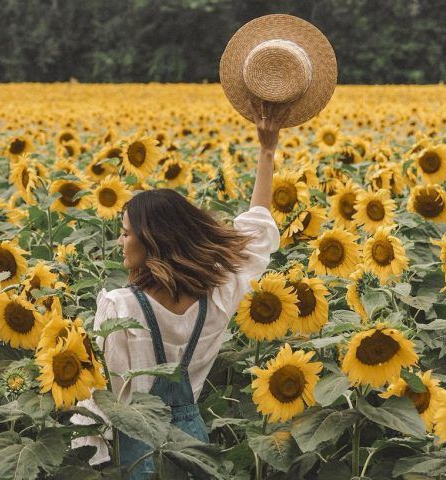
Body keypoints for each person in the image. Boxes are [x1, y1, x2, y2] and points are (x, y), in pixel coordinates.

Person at [71, 99, 290, 477]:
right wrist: (267, 151)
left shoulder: (120, 308)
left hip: (136, 451)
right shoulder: (217, 296)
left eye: (125, 234)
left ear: (153, 240)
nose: (119, 243)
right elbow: (256, 234)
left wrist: (88, 458)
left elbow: (105, 399)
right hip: (191, 449)